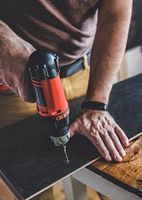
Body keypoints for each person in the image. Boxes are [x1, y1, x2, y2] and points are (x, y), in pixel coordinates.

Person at [0, 0, 132, 163]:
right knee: (27, 178)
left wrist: (96, 104)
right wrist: (3, 40)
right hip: (13, 86)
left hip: (86, 73)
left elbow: (114, 15)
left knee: (98, 162)